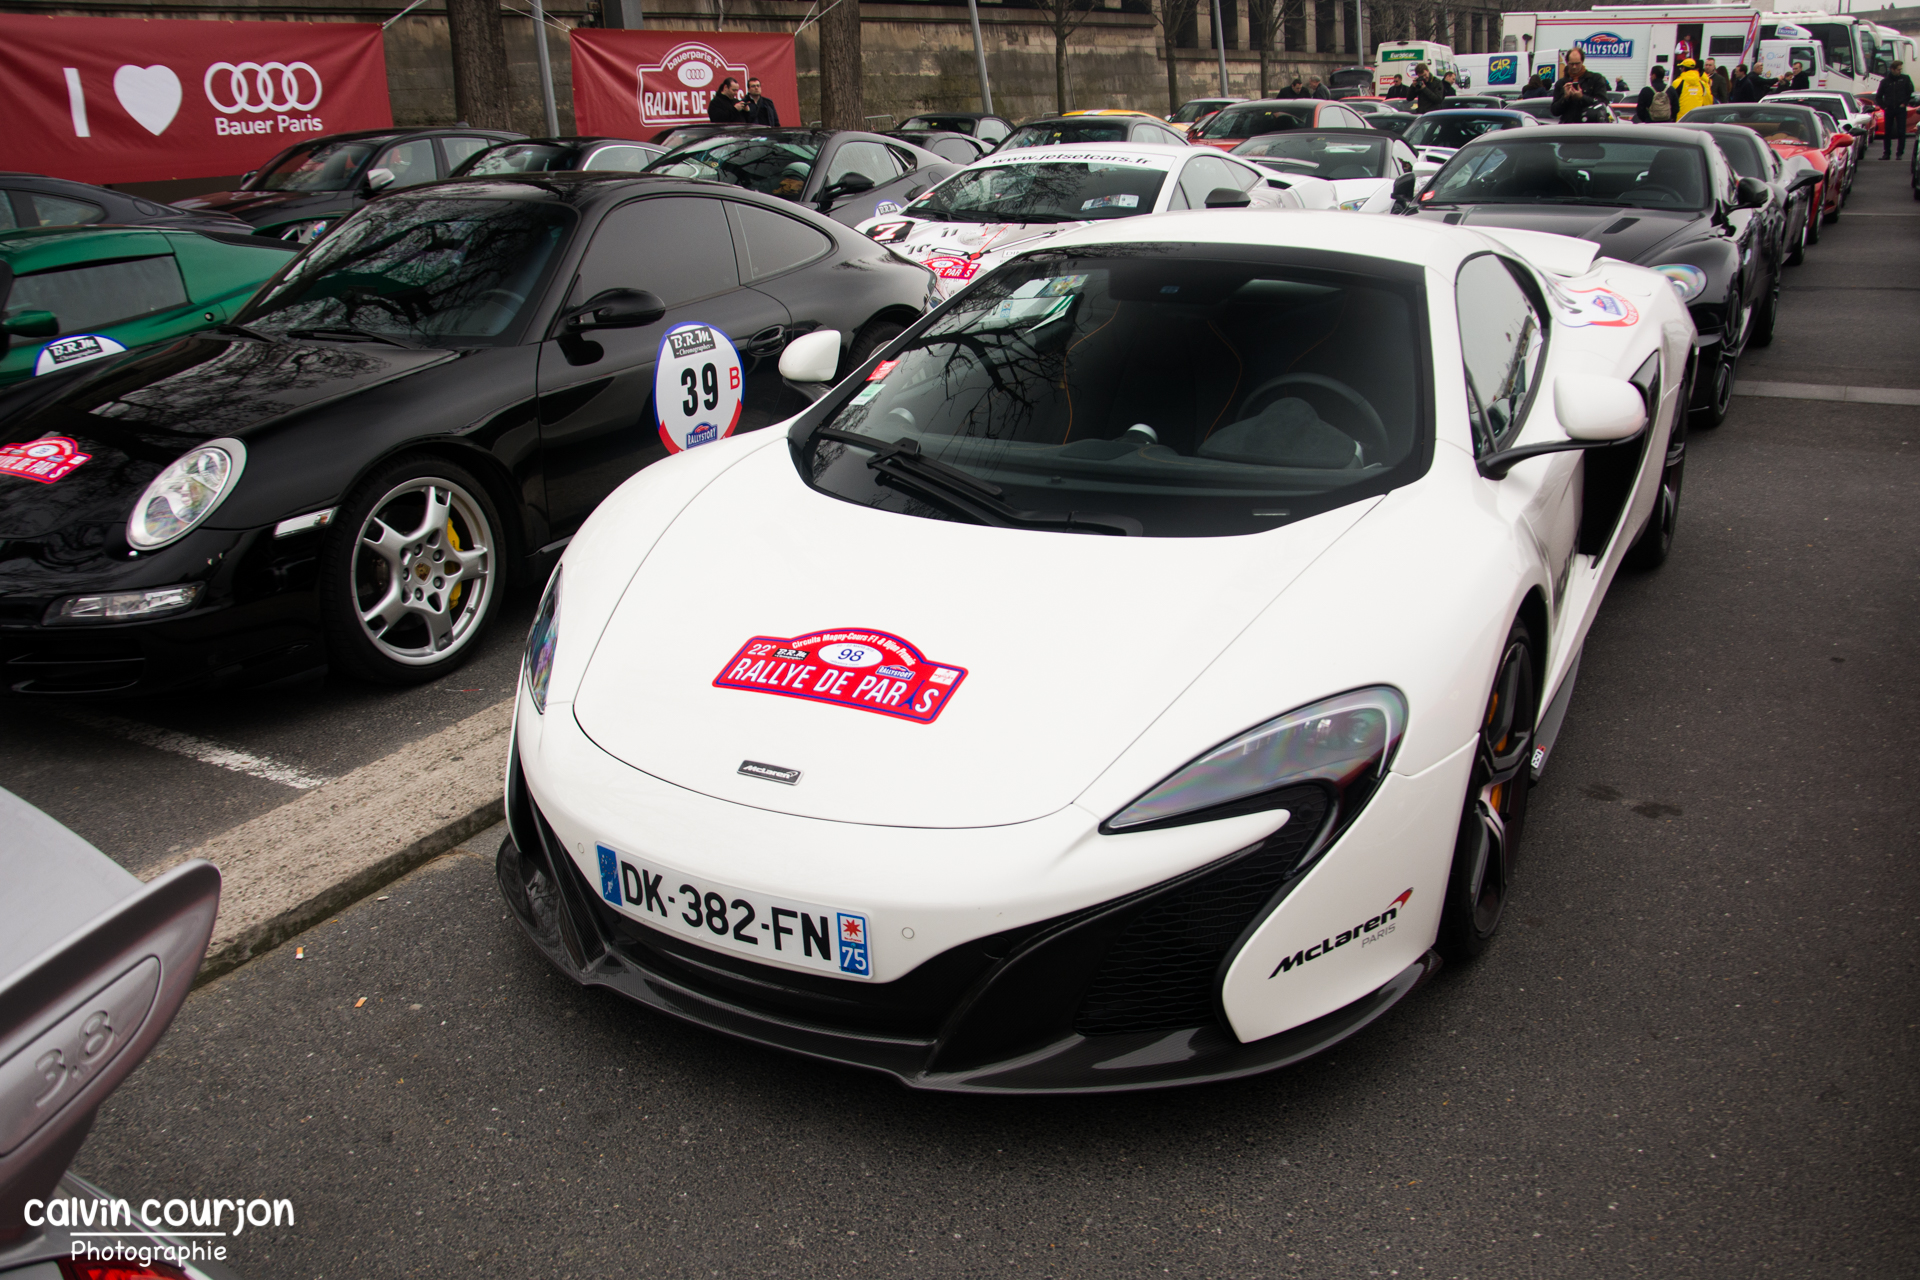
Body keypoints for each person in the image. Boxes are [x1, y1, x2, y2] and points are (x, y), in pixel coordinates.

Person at [1552, 49, 1612, 123]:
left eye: (1577, 63)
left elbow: (1603, 102)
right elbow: (1554, 111)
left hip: (1590, 126)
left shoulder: (1595, 79)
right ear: (1567, 62)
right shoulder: (1561, 83)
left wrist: (1582, 97)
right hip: (1568, 127)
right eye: (1571, 64)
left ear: (1582, 61)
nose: (1574, 67)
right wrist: (1565, 98)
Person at [1878, 61, 1914, 159]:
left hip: (1900, 109)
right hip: (1889, 109)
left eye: (1900, 69)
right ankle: (1886, 153)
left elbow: (1910, 93)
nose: (1900, 71)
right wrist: (1884, 106)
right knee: (1887, 132)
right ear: (1892, 69)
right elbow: (1879, 96)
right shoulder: (1885, 82)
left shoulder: (1905, 79)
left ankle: (1899, 153)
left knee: (1901, 131)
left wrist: (1904, 103)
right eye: (1898, 69)